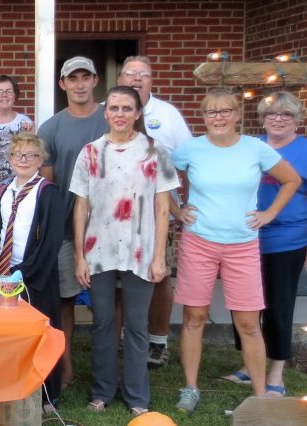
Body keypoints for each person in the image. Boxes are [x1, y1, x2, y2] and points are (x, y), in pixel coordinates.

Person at [172, 87, 301, 413]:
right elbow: (161, 179)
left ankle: (259, 396)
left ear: (237, 114)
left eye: (225, 111)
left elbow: (291, 180)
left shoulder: (255, 148)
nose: (218, 117)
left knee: (248, 323)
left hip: (242, 245)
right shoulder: (192, 149)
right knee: (194, 317)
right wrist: (176, 210)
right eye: (211, 112)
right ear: (203, 117)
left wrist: (269, 214)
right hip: (199, 242)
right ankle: (190, 388)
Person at [72, 86, 180, 416]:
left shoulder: (155, 151)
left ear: (137, 113)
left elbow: (163, 208)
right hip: (99, 248)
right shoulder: (90, 152)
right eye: (114, 108)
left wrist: (159, 256)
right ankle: (102, 390)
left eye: (127, 108)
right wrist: (79, 256)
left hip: (141, 249)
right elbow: (81, 206)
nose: (120, 114)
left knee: (136, 324)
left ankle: (136, 396)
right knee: (103, 322)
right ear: (106, 113)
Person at [223, 91, 307, 397]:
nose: (278, 120)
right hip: (246, 238)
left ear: (297, 120)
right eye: (271, 114)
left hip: (287, 240)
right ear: (262, 118)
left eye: (286, 114)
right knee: (244, 305)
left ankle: (276, 373)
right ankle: (248, 366)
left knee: (278, 306)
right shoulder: (249, 146)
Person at [0, 132, 65, 415]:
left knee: (40, 334)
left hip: (34, 276)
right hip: (2, 274)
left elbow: (51, 240)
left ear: (40, 160)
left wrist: (24, 272)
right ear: (10, 159)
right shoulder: (3, 191)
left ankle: (47, 394)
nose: (24, 160)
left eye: (31, 155)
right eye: (18, 155)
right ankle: (9, 386)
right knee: (7, 334)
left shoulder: (47, 192)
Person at [37, 56, 109, 389]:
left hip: (110, 228)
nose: (80, 84)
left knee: (110, 302)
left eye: (85, 77)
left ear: (95, 81)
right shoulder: (51, 128)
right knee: (65, 299)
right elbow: (48, 186)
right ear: (62, 84)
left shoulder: (111, 119)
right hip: (67, 229)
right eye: (73, 78)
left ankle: (106, 370)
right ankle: (65, 368)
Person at [118, 56, 194, 369]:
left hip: (158, 211)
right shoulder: (108, 110)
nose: (136, 79)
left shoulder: (168, 114)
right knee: (119, 276)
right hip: (117, 213)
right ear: (121, 78)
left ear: (151, 80)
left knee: (158, 275)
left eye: (143, 74)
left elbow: (190, 161)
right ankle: (122, 337)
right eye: (130, 73)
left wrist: (185, 204)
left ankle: (158, 341)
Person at [0, 75, 34, 186]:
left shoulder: (25, 123)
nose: (4, 95)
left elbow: (33, 155)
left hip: (17, 186)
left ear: (15, 96)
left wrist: (30, 136)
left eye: (9, 91)